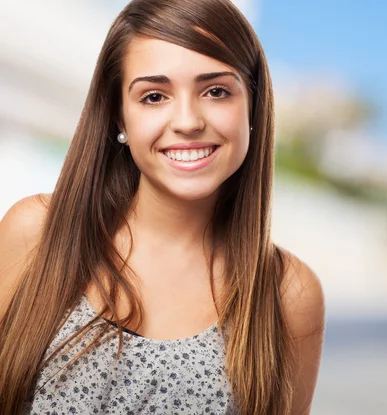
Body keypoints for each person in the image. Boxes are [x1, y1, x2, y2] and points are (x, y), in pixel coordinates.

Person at [0, 0, 325, 414]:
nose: (187, 121)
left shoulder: (287, 293)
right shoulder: (36, 233)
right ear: (120, 118)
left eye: (216, 91)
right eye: (154, 96)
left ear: (253, 107)